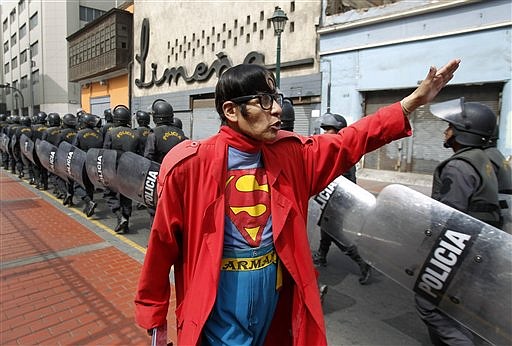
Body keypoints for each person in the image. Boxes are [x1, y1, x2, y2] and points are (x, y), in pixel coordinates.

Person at [135, 60, 460, 345]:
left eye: (274, 98)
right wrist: (153, 316)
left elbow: (350, 141)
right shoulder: (189, 166)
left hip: (275, 290)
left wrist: (410, 104)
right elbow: (162, 245)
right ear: (231, 111)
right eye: (263, 101)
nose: (276, 109)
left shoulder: (291, 154)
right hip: (221, 292)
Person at [415, 97, 500, 346]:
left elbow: (450, 217)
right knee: (453, 305)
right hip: (481, 247)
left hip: (460, 247)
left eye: (450, 126)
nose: (446, 130)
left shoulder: (459, 167)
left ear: (464, 132)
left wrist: (430, 252)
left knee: (428, 302)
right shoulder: (484, 158)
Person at [312, 112, 371, 285]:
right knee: (325, 227)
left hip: (339, 201)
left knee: (334, 232)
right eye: (324, 129)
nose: (324, 133)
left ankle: (363, 263)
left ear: (338, 131)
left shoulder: (341, 152)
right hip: (330, 199)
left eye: (328, 129)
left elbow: (343, 182)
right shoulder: (334, 149)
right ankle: (322, 256)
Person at [143, 99, 186, 223]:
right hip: (177, 177)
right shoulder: (180, 132)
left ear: (156, 117)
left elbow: (148, 157)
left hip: (159, 177)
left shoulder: (154, 133)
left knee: (155, 210)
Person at [103, 105, 142, 234]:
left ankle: (120, 216)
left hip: (114, 168)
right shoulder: (136, 134)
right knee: (127, 195)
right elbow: (140, 153)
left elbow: (106, 152)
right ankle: (126, 222)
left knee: (108, 193)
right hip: (130, 169)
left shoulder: (111, 133)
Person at [72, 112, 103, 217]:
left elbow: (74, 148)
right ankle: (89, 206)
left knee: (77, 185)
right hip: (94, 163)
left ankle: (88, 201)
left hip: (82, 163)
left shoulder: (80, 134)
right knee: (90, 185)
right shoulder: (99, 134)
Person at [58, 114, 78, 206]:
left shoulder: (61, 133)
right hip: (75, 159)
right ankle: (70, 196)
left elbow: (57, 145)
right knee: (73, 179)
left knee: (61, 177)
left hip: (64, 157)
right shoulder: (78, 132)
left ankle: (66, 193)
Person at [32, 112, 49, 190]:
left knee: (36, 166)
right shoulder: (48, 128)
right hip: (45, 150)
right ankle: (45, 184)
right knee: (44, 168)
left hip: (36, 149)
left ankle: (38, 182)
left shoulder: (33, 127)